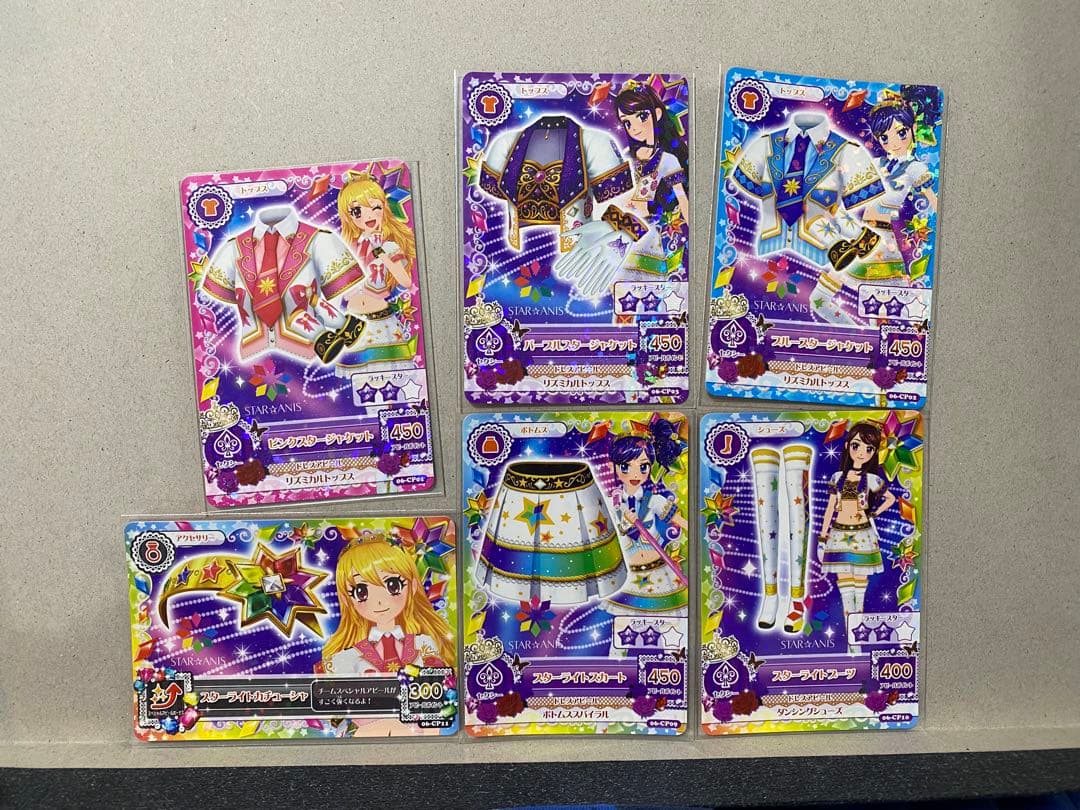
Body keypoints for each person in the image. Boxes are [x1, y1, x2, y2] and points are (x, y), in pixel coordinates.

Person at [817, 422, 896, 648]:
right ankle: (851, 644)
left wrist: (873, 512)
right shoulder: (837, 477)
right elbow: (830, 508)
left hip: (862, 535)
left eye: (868, 449)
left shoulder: (871, 479)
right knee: (845, 591)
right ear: (848, 446)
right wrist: (822, 537)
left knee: (859, 592)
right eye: (856, 445)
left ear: (874, 452)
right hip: (839, 535)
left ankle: (856, 641)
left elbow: (890, 499)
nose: (861, 452)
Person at [323, 540, 454, 674]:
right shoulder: (348, 657)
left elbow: (439, 678)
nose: (379, 601)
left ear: (412, 586)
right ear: (346, 599)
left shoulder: (423, 643)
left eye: (393, 585)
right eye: (361, 592)